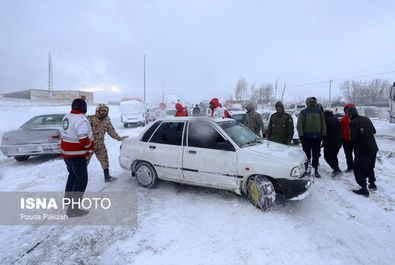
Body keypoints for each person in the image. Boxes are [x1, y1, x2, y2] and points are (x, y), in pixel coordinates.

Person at [61, 98, 94, 217]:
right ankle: (73, 209)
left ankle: (67, 200)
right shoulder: (81, 120)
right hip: (77, 155)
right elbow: (83, 138)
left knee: (72, 176)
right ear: (84, 108)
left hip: (67, 154)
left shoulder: (67, 117)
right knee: (81, 180)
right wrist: (89, 147)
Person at [87, 104, 128, 182]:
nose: (103, 112)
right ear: (98, 111)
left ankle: (107, 177)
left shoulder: (107, 121)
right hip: (89, 144)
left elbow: (111, 131)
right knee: (84, 161)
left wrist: (119, 138)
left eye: (105, 111)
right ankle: (80, 177)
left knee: (105, 160)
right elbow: (83, 129)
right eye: (102, 110)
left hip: (100, 145)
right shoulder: (91, 118)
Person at [347, 106, 378, 197]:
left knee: (359, 168)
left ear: (349, 114)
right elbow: (374, 131)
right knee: (370, 166)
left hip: (362, 149)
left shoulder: (352, 122)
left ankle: (363, 188)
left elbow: (353, 138)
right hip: (373, 148)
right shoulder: (366, 119)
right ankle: (372, 184)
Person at [297, 97, 327, 178]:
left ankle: (315, 170)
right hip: (306, 137)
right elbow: (300, 124)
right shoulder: (304, 112)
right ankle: (307, 170)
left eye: (314, 102)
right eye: (311, 102)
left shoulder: (319, 111)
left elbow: (323, 123)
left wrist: (324, 134)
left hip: (317, 137)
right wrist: (301, 135)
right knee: (307, 155)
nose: (313, 103)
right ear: (308, 102)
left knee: (316, 155)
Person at [322, 110, 342, 177]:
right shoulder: (336, 120)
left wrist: (323, 141)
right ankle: (337, 169)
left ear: (326, 115)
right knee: (334, 156)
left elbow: (325, 132)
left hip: (330, 142)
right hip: (339, 141)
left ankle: (337, 170)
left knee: (327, 156)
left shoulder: (327, 121)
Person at [341, 104, 356, 172]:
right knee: (356, 154)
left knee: (348, 154)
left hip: (347, 139)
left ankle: (350, 167)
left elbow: (341, 129)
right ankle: (355, 167)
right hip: (355, 140)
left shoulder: (344, 118)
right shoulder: (357, 118)